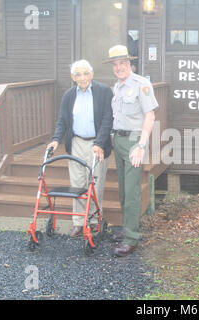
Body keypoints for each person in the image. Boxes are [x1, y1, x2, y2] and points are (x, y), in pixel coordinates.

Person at [46, 59, 113, 237]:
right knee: (77, 184)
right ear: (72, 77)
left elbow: (108, 119)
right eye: (78, 74)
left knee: (95, 184)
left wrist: (99, 143)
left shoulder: (104, 91)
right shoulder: (69, 95)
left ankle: (93, 220)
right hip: (76, 143)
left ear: (91, 74)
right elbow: (62, 120)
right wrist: (56, 140)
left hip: (96, 144)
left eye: (85, 73)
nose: (82, 78)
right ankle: (78, 221)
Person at [102, 45, 158, 257]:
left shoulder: (141, 84)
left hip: (135, 141)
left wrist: (141, 146)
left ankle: (132, 238)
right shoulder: (116, 87)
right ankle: (128, 229)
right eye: (115, 65)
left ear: (130, 64)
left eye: (122, 63)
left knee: (132, 191)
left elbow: (150, 116)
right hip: (120, 140)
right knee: (124, 188)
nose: (119, 68)